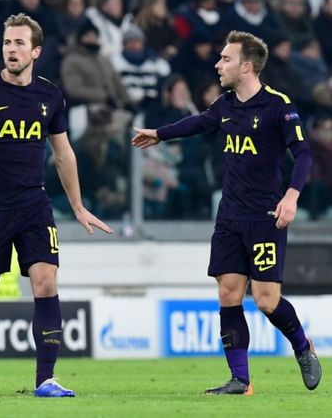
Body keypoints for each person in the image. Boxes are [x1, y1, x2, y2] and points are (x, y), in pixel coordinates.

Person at [0, 13, 112, 399]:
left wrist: (77, 207)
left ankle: (46, 379)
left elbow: (63, 155)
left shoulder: (51, 96)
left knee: (46, 282)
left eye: (19, 43)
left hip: (34, 205)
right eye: (7, 43)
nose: (11, 49)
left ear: (36, 51)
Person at [132, 30, 322, 395]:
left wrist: (292, 196)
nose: (218, 64)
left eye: (225, 59)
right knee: (228, 293)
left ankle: (302, 346)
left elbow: (304, 154)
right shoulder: (225, 104)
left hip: (266, 215)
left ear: (246, 66)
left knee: (266, 301)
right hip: (230, 215)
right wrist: (159, 133)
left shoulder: (279, 106)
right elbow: (198, 122)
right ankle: (241, 380)